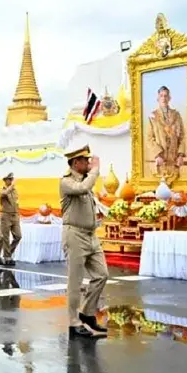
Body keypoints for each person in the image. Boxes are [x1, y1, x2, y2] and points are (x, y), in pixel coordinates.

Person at [59, 145, 109, 339]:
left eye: (90, 161)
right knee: (75, 281)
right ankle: (73, 322)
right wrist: (96, 170)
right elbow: (83, 188)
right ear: (75, 163)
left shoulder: (86, 182)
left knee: (102, 274)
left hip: (90, 235)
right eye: (85, 161)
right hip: (74, 234)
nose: (89, 163)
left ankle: (87, 313)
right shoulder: (67, 182)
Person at [146, 85, 187, 178]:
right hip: (161, 161)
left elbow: (182, 136)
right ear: (158, 98)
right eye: (161, 96)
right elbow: (149, 138)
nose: (163, 98)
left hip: (174, 161)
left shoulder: (176, 115)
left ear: (169, 98)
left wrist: (180, 155)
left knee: (176, 190)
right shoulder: (152, 117)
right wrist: (157, 155)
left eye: (166, 96)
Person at [0, 172, 22, 266]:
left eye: (12, 179)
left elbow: (16, 202)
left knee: (18, 236)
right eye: (9, 179)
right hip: (6, 216)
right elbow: (4, 194)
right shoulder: (2, 190)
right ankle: (7, 257)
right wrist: (12, 186)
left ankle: (8, 253)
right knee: (6, 238)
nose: (11, 181)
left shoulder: (14, 191)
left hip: (15, 215)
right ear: (5, 181)